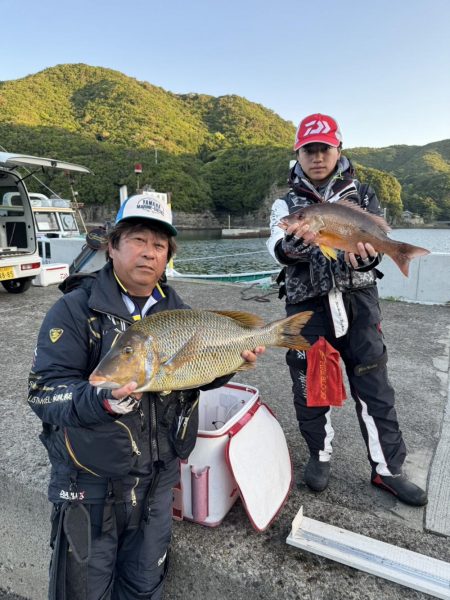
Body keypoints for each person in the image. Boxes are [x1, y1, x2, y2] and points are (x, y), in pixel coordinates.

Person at [28, 193, 264, 600]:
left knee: (144, 589)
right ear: (113, 246)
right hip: (90, 486)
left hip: (158, 482)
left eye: (159, 245)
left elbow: (191, 379)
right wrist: (100, 401)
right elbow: (43, 392)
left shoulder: (178, 311)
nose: (149, 253)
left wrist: (228, 363)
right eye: (138, 239)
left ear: (168, 256)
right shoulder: (74, 311)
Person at [267, 113, 427, 506]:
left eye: (324, 148)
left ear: (338, 149)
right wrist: (301, 241)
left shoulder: (363, 194)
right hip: (307, 307)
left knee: (374, 385)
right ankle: (319, 457)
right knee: (310, 386)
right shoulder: (285, 204)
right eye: (309, 149)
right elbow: (277, 249)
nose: (317, 156)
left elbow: (370, 246)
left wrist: (367, 257)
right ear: (298, 153)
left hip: (359, 304)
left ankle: (388, 470)